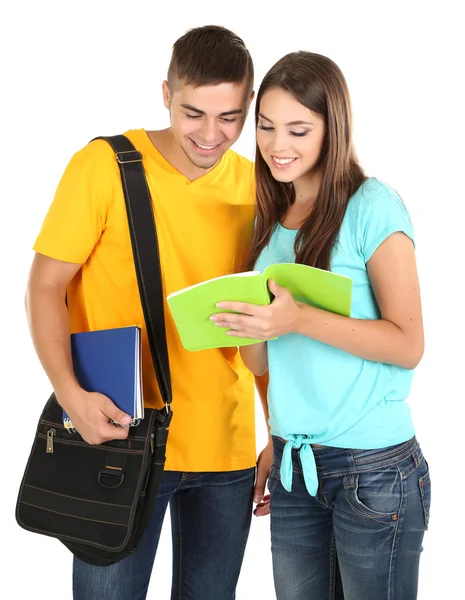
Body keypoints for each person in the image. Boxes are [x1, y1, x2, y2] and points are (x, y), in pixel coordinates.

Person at [25, 25, 271, 600]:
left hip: (227, 450)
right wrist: (69, 395)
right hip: (117, 437)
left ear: (249, 107)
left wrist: (276, 429)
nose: (211, 135)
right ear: (165, 94)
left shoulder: (259, 185)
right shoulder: (103, 166)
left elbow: (266, 320)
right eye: (193, 113)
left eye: (231, 117)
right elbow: (44, 286)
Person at [212, 51, 431, 600]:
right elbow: (267, 361)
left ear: (332, 130)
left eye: (298, 130)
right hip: (293, 465)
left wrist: (300, 317)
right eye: (265, 127)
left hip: (372, 470)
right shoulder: (269, 218)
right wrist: (250, 330)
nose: (277, 145)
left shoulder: (371, 206)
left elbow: (408, 345)